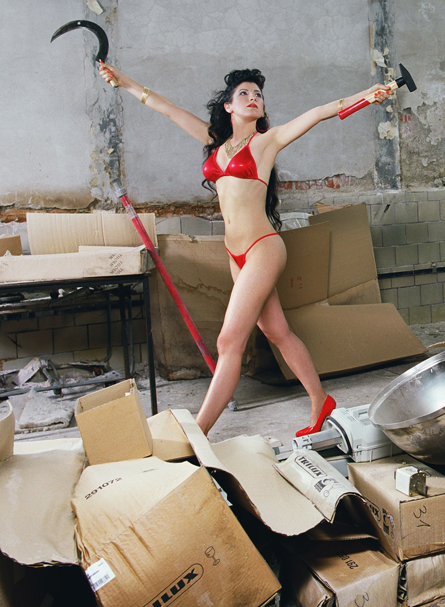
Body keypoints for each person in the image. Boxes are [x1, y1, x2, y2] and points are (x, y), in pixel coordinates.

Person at [99, 61, 392, 437]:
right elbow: (167, 108)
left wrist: (367, 96)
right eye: (244, 94)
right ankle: (322, 401)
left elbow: (320, 113)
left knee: (228, 340)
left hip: (263, 249)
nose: (253, 98)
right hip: (236, 256)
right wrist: (124, 82)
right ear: (228, 106)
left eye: (258, 95)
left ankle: (197, 432)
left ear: (263, 109)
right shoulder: (215, 143)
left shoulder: (266, 142)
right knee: (277, 333)